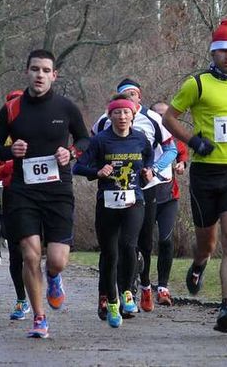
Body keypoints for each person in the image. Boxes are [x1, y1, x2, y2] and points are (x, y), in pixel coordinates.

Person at [162, 18, 227, 332]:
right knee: (207, 243)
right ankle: (199, 263)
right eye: (223, 51)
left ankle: (226, 307)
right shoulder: (198, 84)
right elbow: (169, 117)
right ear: (214, 53)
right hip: (205, 175)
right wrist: (192, 141)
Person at [0, 50, 90, 338]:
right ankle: (40, 318)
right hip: (23, 192)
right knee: (30, 255)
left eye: (46, 70)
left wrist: (70, 152)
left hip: (58, 191)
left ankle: (54, 277)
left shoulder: (66, 107)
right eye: (35, 69)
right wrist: (10, 151)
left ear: (54, 75)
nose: (40, 75)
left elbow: (85, 139)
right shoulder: (11, 109)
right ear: (27, 72)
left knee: (56, 259)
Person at [91, 78, 177, 315]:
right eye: (124, 94)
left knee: (142, 243)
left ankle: (141, 288)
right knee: (111, 246)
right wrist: (97, 169)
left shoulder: (153, 119)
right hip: (111, 192)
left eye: (133, 93)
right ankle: (106, 295)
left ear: (140, 97)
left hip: (144, 190)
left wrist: (155, 170)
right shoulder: (104, 120)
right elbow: (90, 148)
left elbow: (171, 148)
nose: (129, 98)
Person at [74, 94, 154, 328]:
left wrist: (148, 172)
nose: (122, 116)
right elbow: (79, 166)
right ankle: (111, 302)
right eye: (117, 112)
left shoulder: (140, 139)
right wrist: (98, 171)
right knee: (110, 254)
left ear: (133, 115)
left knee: (129, 245)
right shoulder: (100, 140)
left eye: (126, 112)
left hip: (134, 200)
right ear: (109, 116)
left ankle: (128, 292)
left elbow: (148, 160)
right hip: (107, 203)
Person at [149, 101, 189, 306]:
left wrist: (181, 164)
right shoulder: (143, 136)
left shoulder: (173, 137)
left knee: (165, 240)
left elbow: (182, 154)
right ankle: (141, 284)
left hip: (168, 197)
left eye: (166, 115)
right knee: (141, 244)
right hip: (144, 198)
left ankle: (163, 287)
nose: (163, 119)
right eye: (158, 115)